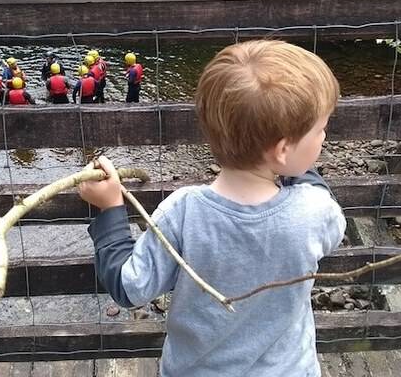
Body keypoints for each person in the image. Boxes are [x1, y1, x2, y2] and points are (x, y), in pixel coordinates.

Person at [78, 40, 345, 377]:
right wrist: (296, 169)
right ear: (281, 151)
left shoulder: (183, 211)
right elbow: (327, 219)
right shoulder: (314, 209)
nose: (324, 137)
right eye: (320, 130)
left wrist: (111, 209)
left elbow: (130, 289)